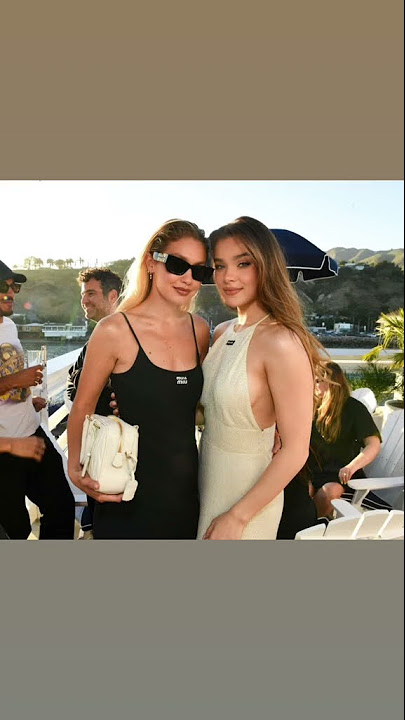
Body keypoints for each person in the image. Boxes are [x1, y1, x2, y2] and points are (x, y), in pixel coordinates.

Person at [67, 220, 212, 539]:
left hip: (186, 495)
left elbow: (193, 406)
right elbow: (82, 407)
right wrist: (76, 472)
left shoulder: (199, 331)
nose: (188, 279)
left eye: (199, 271)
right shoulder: (114, 331)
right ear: (151, 262)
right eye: (177, 265)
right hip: (124, 490)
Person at [197, 216, 326, 540]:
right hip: (207, 481)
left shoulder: (281, 341)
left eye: (243, 263)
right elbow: (209, 409)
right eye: (220, 265)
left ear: (265, 265)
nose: (229, 277)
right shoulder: (223, 332)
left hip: (248, 502)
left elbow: (296, 449)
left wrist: (237, 518)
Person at [0, 259, 75, 539]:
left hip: (32, 432)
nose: (9, 293)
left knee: (62, 508)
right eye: (2, 286)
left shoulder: (7, 326)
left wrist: (23, 400)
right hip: (5, 452)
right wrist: (14, 382)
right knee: (14, 529)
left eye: (13, 286)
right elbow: (9, 379)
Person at [66, 267, 122, 535]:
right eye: (82, 294)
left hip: (114, 451)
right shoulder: (96, 338)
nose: (84, 300)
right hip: (94, 446)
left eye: (91, 293)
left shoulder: (123, 337)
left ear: (113, 296)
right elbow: (73, 382)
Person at [309, 361, 382, 519]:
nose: (312, 385)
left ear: (332, 382)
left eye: (317, 381)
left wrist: (351, 467)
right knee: (299, 493)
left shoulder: (353, 409)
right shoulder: (310, 406)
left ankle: (309, 529)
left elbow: (373, 444)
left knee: (328, 493)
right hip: (312, 471)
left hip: (340, 474)